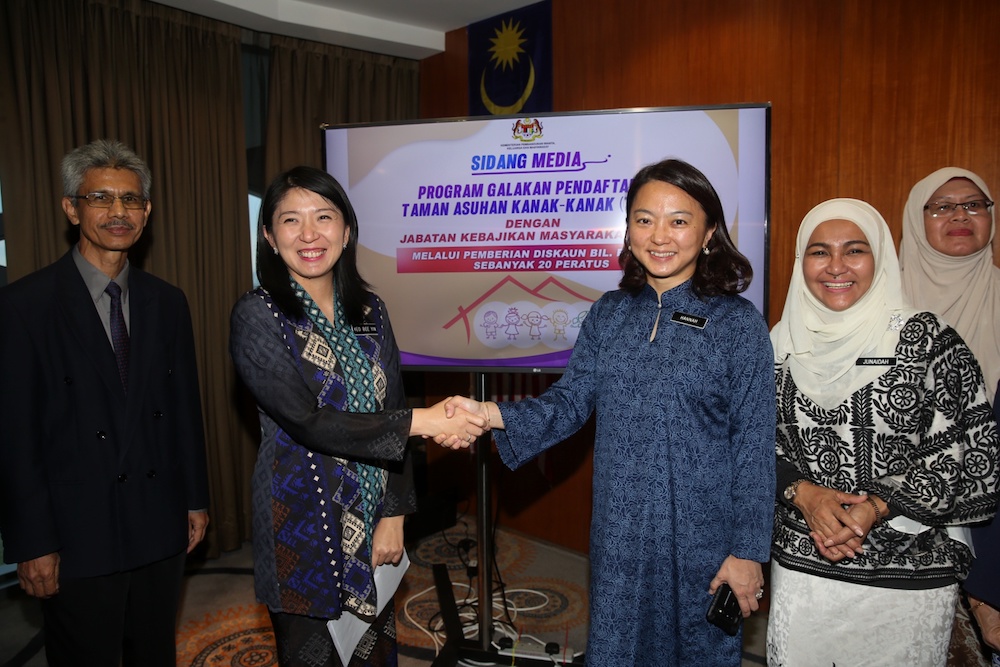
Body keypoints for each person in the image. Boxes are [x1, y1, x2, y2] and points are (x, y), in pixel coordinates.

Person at [444, 159, 776, 666]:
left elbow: (753, 446)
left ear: (709, 231)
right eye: (644, 219)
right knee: (618, 648)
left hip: (704, 539)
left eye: (679, 220)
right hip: (620, 531)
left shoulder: (737, 324)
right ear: (628, 229)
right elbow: (570, 402)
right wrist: (490, 414)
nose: (659, 236)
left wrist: (748, 551)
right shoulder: (610, 313)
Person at [229, 166, 485, 667]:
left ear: (346, 231)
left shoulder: (371, 311)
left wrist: (393, 516)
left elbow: (389, 412)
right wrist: (428, 421)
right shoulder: (257, 316)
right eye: (290, 221)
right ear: (268, 234)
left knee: (372, 654)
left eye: (324, 217)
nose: (309, 235)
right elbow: (310, 421)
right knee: (313, 657)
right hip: (298, 521)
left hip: (369, 516)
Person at [0, 139, 210, 666]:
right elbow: (15, 438)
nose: (119, 212)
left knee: (153, 653)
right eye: (101, 198)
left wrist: (195, 499)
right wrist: (31, 542)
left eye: (131, 200)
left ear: (147, 212)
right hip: (76, 532)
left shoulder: (168, 301)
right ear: (71, 208)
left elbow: (185, 408)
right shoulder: (24, 306)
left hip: (157, 519)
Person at [767, 198, 1000, 666]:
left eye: (854, 250)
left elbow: (969, 453)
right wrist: (806, 494)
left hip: (907, 581)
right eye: (819, 251)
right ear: (800, 262)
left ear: (880, 258)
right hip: (805, 572)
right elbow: (750, 443)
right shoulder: (780, 344)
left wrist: (875, 506)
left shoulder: (929, 341)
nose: (836, 266)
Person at [900, 167, 1000, 659]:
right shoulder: (877, 301)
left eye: (975, 205)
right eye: (942, 206)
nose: (960, 215)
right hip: (896, 525)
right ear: (916, 220)